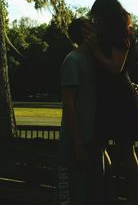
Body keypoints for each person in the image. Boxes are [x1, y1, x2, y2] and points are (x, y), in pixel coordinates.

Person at [87, 0, 138, 205]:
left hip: (120, 98)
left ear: (107, 16)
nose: (95, 22)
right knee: (99, 146)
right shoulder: (100, 36)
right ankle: (109, 194)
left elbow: (116, 67)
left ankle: (132, 198)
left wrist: (94, 51)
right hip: (104, 96)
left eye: (98, 18)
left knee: (126, 149)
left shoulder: (122, 34)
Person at [58, 17, 104, 205]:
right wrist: (78, 143)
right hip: (77, 141)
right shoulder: (73, 60)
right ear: (85, 34)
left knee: (95, 195)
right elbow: (69, 104)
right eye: (90, 26)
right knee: (77, 195)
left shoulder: (96, 60)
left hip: (94, 139)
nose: (95, 28)